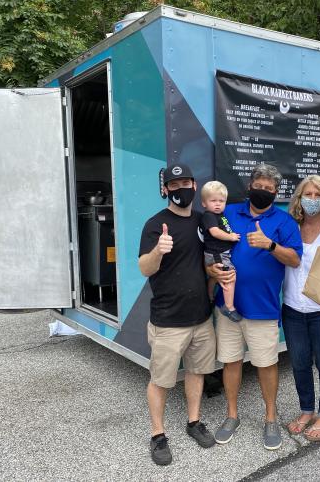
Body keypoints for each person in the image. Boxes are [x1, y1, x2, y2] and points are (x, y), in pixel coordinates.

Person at [209, 164, 303, 451]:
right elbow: (211, 249)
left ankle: (271, 418)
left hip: (263, 308)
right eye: (258, 186)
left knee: (266, 365)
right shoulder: (228, 213)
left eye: (268, 188)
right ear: (249, 186)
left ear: (276, 192)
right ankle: (232, 415)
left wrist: (270, 245)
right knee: (231, 361)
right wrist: (212, 271)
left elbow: (295, 260)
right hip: (227, 307)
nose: (262, 191)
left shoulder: (284, 222)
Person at [138, 164, 218, 466]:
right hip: (168, 321)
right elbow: (145, 268)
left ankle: (194, 421)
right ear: (165, 190)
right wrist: (159, 250)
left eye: (185, 182)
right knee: (160, 379)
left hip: (200, 317)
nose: (180, 189)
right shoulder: (155, 225)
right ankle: (158, 435)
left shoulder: (203, 221)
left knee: (197, 372)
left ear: (195, 186)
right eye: (174, 184)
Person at [282, 175, 320, 442]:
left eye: (319, 195)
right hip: (293, 308)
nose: (313, 200)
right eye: (308, 194)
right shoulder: (288, 227)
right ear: (299, 198)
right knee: (299, 363)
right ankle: (307, 410)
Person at [199, 180, 242, 321]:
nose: (218, 204)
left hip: (220, 253)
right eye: (213, 201)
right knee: (230, 276)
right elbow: (215, 232)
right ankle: (229, 307)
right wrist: (231, 237)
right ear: (204, 203)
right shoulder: (208, 216)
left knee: (214, 277)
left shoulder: (220, 215)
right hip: (217, 253)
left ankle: (209, 297)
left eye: (221, 201)